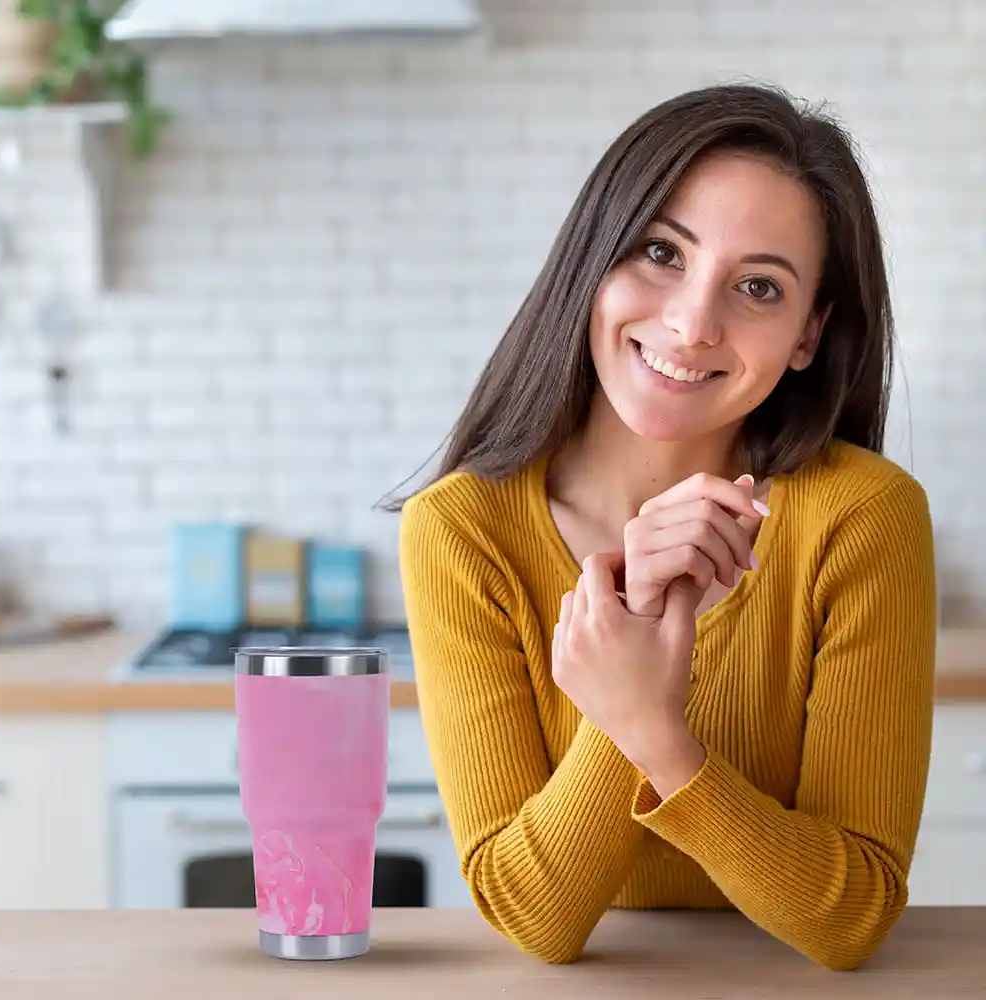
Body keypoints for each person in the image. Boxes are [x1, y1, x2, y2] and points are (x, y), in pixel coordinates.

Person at [388, 83, 936, 971]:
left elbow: (853, 919)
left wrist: (655, 731)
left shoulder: (863, 520)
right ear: (593, 261)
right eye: (660, 252)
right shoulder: (463, 530)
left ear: (809, 333)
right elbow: (534, 919)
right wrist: (629, 664)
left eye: (759, 286)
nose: (691, 323)